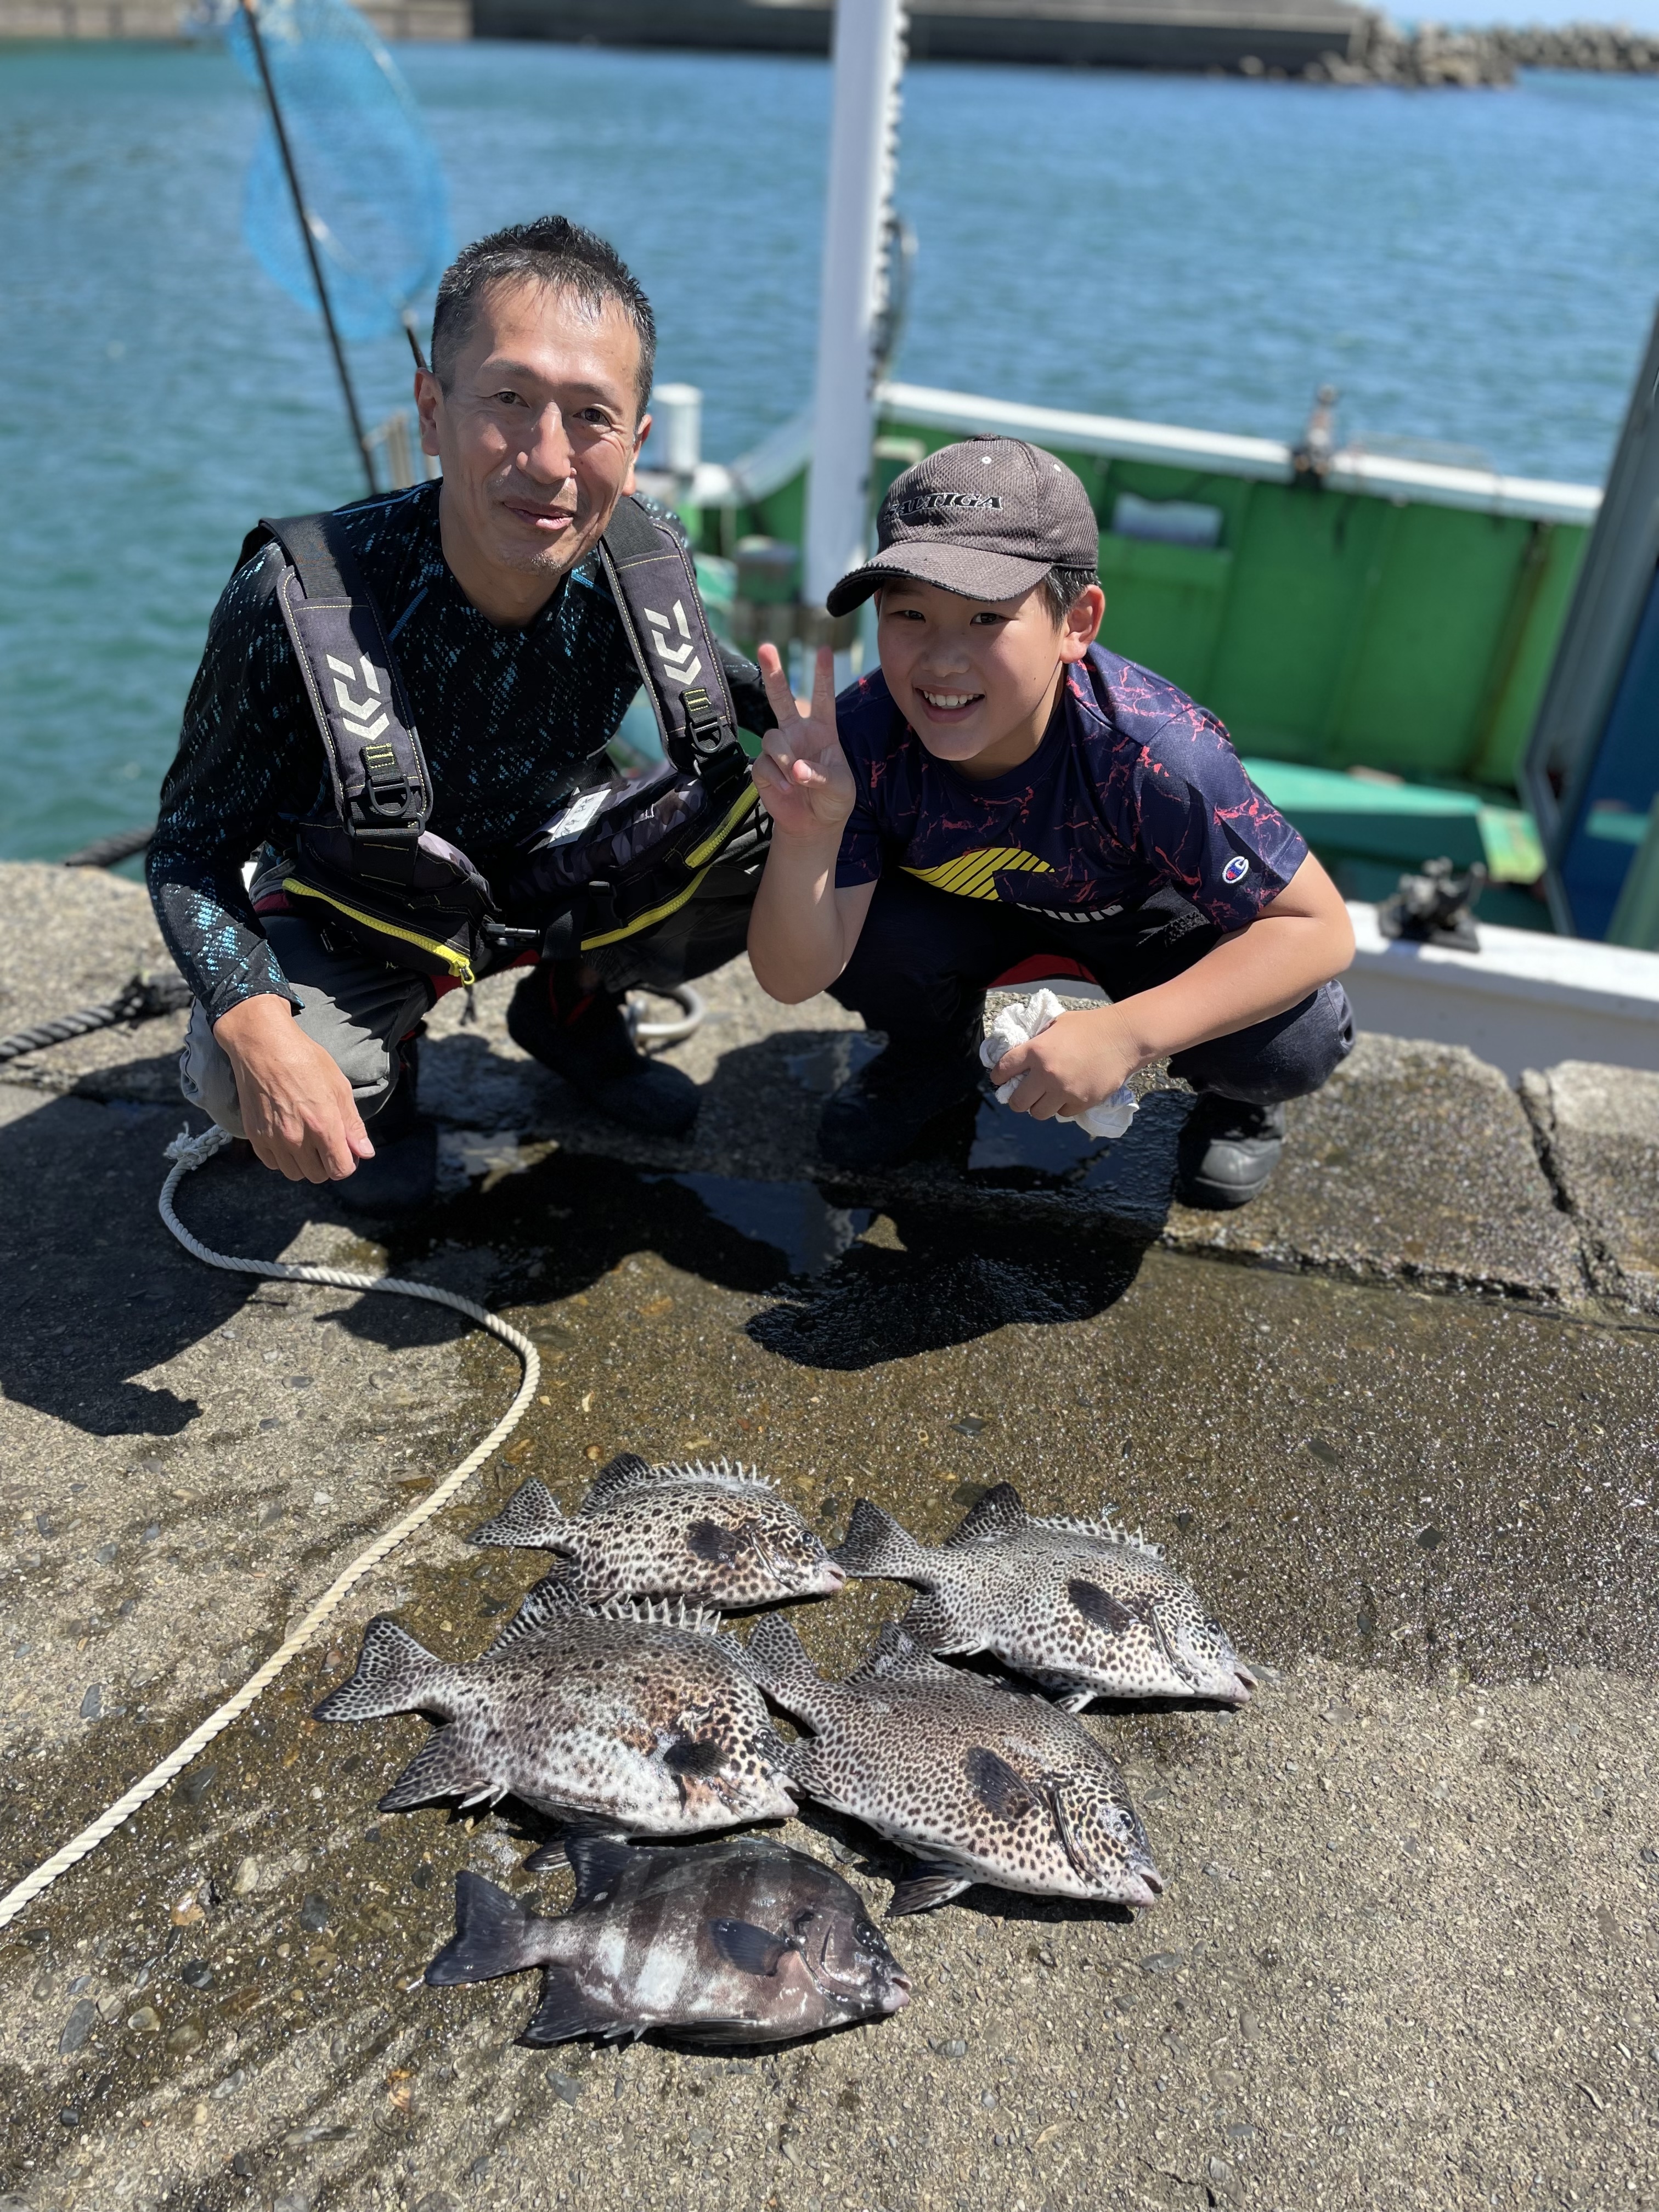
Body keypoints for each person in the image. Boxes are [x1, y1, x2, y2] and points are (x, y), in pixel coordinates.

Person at [148, 216, 771, 1212]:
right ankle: (388, 1065)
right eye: (510, 400)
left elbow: (740, 697)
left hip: (549, 864)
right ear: (432, 410)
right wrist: (250, 1014)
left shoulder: (644, 564)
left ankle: (573, 1008)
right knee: (238, 1075)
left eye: (592, 416)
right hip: (367, 894)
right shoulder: (294, 598)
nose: (549, 460)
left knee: (783, 806)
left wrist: (841, 751)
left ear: (637, 443)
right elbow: (189, 849)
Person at [746, 436, 1356, 1208]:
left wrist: (1127, 1034)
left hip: (1142, 926)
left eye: (985, 618)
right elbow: (792, 978)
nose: (942, 659)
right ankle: (933, 1055)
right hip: (969, 917)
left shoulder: (1153, 752)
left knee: (1289, 1041)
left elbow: (1320, 927)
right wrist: (806, 838)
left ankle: (1236, 1101)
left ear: (1078, 621)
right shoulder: (861, 743)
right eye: (910, 613)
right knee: (867, 930)